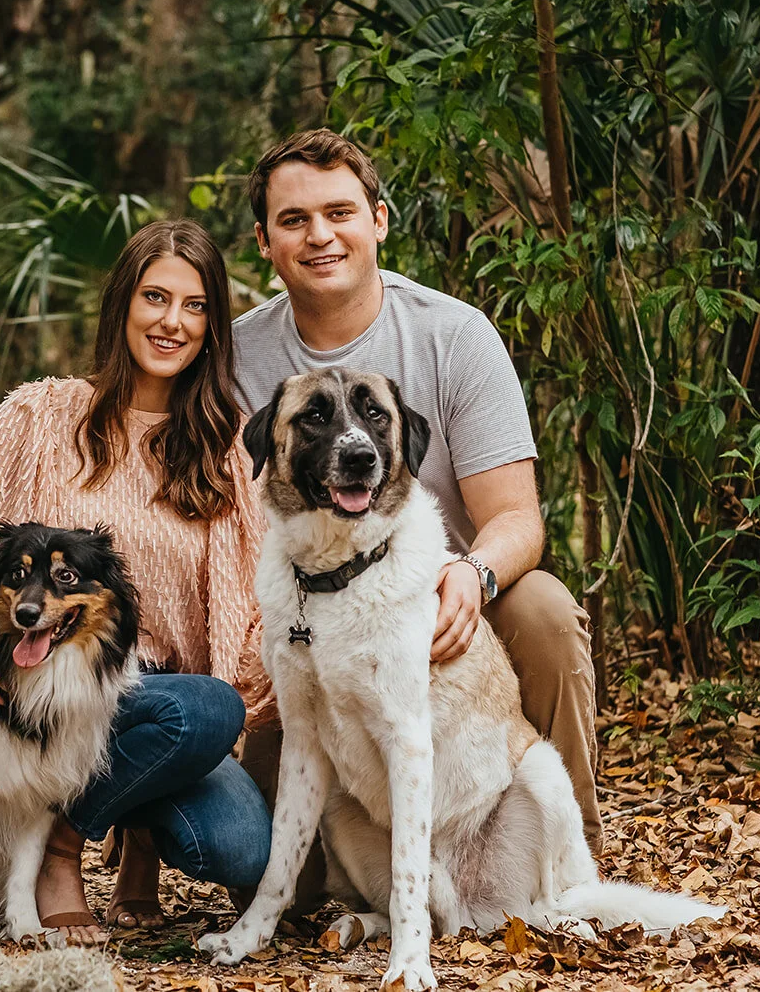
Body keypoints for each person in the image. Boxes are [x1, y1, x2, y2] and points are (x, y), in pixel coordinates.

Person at [0, 219, 274, 945]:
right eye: (155, 297)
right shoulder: (39, 413)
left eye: (194, 306)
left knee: (238, 835)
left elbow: (255, 611)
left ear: (214, 325)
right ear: (122, 303)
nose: (171, 321)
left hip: (158, 711)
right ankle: (61, 854)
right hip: (41, 691)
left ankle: (116, 827)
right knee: (202, 712)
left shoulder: (227, 446)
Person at [230, 129, 601, 877]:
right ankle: (364, 885)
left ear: (380, 219)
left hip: (435, 600)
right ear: (266, 241)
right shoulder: (239, 354)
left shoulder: (453, 335)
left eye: (340, 211)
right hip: (311, 611)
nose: (320, 235)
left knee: (546, 611)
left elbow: (518, 517)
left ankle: (568, 855)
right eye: (294, 220)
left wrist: (475, 576)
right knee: (280, 863)